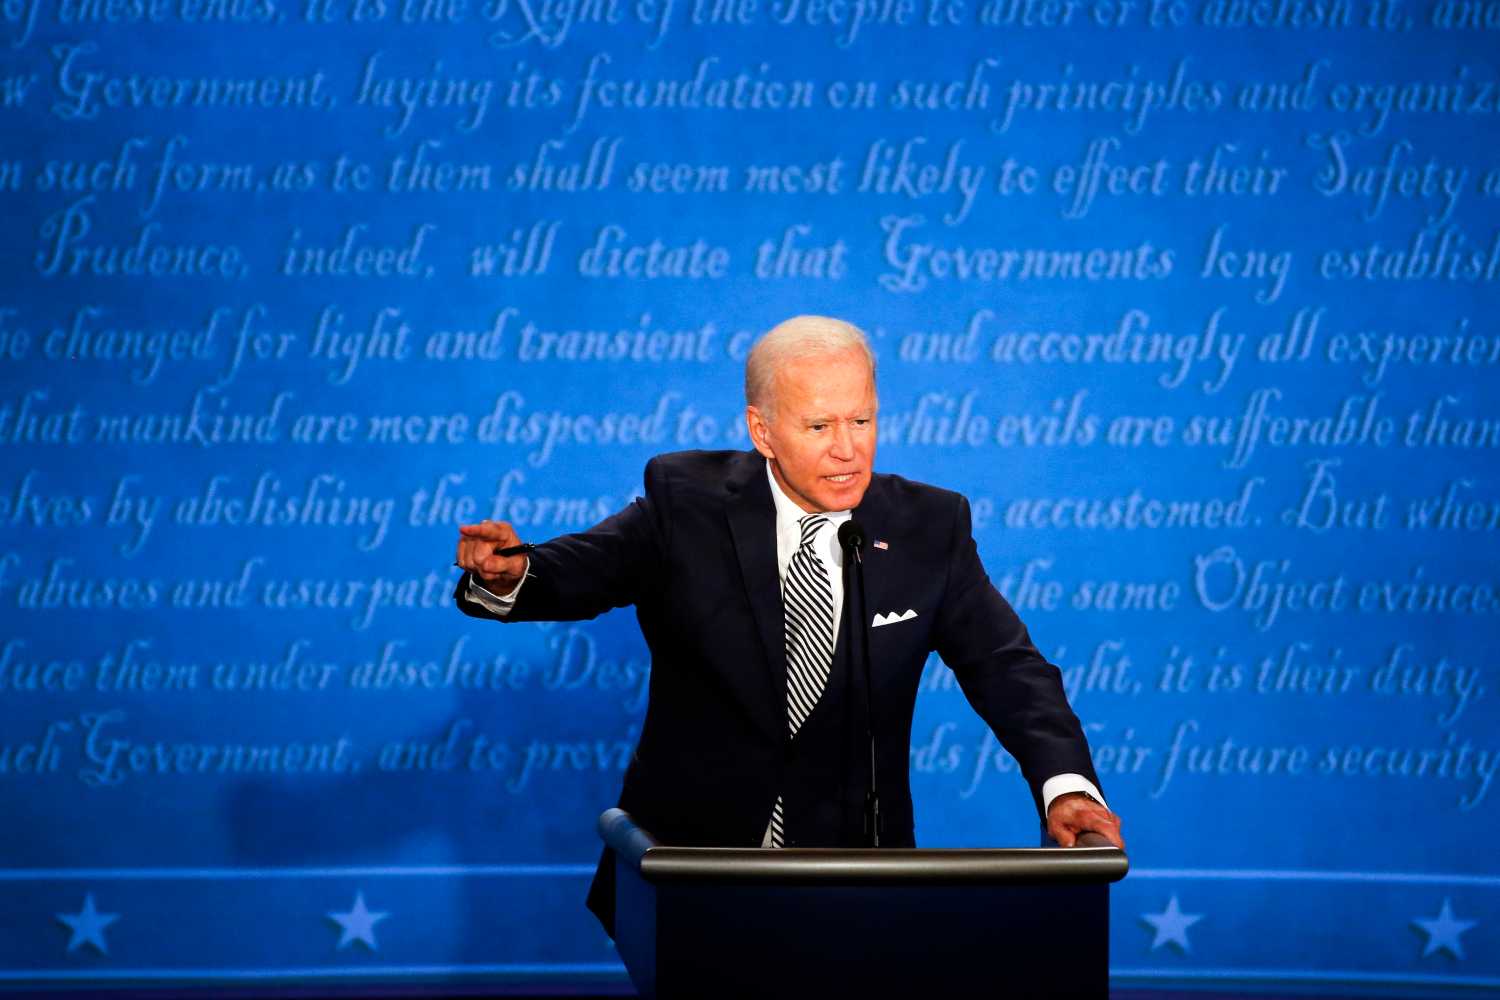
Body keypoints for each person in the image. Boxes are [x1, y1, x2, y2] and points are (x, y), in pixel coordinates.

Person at [453, 315, 1123, 935]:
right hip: (691, 872)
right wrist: (512, 575)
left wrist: (1064, 786)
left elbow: (1007, 667)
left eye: (862, 421)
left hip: (856, 878)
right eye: (819, 427)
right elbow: (589, 567)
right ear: (762, 430)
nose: (847, 451)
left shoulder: (927, 526)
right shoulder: (684, 501)